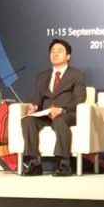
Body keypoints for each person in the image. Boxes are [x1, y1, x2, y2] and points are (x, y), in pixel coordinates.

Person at [21, 38, 87, 177]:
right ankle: (34, 163)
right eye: (52, 51)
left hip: (67, 113)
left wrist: (62, 109)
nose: (55, 54)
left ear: (68, 56)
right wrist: (34, 106)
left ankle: (64, 164)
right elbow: (38, 97)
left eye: (59, 51)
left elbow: (79, 98)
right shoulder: (42, 76)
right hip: (46, 114)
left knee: (59, 121)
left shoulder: (77, 75)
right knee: (27, 120)